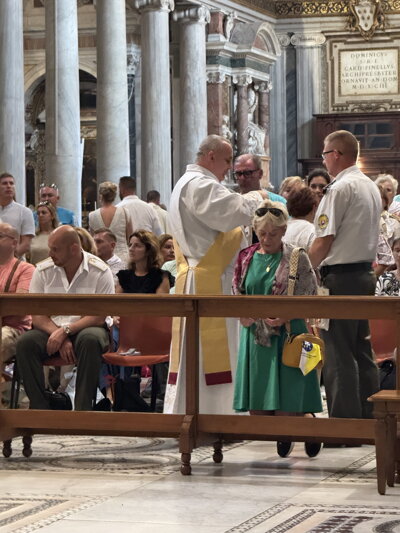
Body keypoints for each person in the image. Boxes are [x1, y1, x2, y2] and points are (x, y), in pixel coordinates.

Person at [164, 134, 267, 415]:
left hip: (200, 278)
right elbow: (232, 211)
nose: (228, 169)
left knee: (198, 351)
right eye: (226, 161)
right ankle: (217, 413)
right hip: (212, 280)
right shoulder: (199, 184)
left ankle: (204, 409)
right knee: (210, 352)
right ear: (210, 156)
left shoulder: (186, 184)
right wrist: (258, 196)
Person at [232, 201, 322, 458]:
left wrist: (286, 316)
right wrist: (243, 313)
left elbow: (311, 296)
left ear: (284, 232)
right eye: (262, 233)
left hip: (288, 334)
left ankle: (306, 422)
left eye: (273, 234)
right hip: (256, 337)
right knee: (260, 412)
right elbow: (236, 290)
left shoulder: (297, 257)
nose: (267, 238)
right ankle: (286, 431)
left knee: (287, 406)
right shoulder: (245, 257)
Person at [308, 130, 381, 422]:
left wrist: (301, 271)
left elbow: (324, 241)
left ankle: (345, 425)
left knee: (338, 351)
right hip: (364, 274)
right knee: (362, 347)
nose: (324, 161)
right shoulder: (369, 186)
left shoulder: (339, 189)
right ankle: (370, 417)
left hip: (339, 277)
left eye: (325, 155)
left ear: (336, 154)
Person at [16, 225, 115, 411]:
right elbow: (36, 315)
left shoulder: (100, 271)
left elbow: (99, 316)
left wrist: (66, 331)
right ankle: (40, 408)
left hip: (86, 328)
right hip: (50, 329)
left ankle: (82, 410)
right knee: (25, 343)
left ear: (74, 249)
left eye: (55, 249)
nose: (50, 253)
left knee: (90, 339)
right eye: (50, 248)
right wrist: (59, 334)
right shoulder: (43, 270)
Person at [0, 223, 35, 383]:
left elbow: (19, 305)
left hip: (14, 329)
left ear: (14, 242)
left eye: (0, 236)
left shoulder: (26, 269)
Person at [89, 181, 132, 264]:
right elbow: (129, 238)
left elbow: (92, 241)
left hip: (101, 258)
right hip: (122, 257)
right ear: (114, 196)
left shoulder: (92, 215)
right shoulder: (124, 212)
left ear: (100, 196)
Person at [116, 230, 170, 295]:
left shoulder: (161, 277)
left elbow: (160, 304)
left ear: (149, 250)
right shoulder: (124, 276)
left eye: (137, 245)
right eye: (130, 245)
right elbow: (116, 302)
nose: (131, 249)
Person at [0, 173, 35, 257]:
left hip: (15, 263)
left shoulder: (25, 212)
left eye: (11, 183)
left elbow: (26, 245)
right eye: (4, 183)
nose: (9, 186)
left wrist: (8, 260)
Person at [28, 201, 59, 265]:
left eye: (44, 213)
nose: (40, 215)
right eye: (38, 213)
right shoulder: (32, 235)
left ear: (52, 216)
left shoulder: (59, 235)